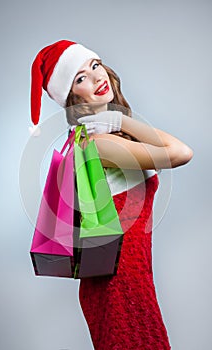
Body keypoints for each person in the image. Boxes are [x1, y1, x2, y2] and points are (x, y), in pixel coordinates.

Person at [30, 40, 193, 350]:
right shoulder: (102, 143)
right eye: (80, 78)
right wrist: (120, 119)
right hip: (121, 279)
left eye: (94, 65)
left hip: (124, 273)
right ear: (71, 97)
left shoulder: (90, 138)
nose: (95, 77)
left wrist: (118, 121)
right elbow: (182, 152)